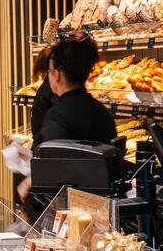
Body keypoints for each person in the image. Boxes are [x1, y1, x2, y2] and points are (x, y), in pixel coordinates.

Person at [17, 33, 117, 205]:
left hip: (68, 213)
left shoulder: (57, 117)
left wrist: (30, 181)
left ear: (56, 74)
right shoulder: (101, 112)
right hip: (101, 208)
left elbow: (53, 174)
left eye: (49, 71)